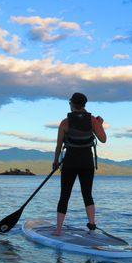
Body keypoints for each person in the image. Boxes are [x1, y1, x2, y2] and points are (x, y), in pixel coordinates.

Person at [52, 93, 107, 236]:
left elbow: (58, 146)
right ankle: (92, 225)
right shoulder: (93, 120)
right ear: (84, 105)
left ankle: (58, 230)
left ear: (71, 104)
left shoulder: (65, 122)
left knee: (64, 195)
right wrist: (100, 124)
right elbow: (103, 139)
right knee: (87, 194)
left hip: (70, 162)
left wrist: (56, 161)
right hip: (87, 163)